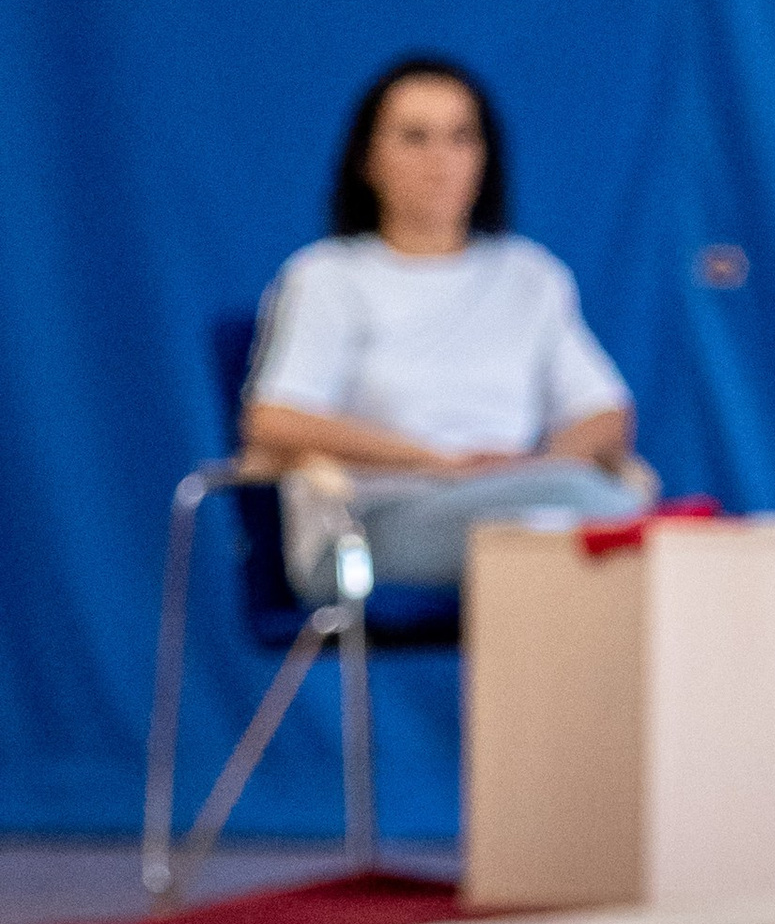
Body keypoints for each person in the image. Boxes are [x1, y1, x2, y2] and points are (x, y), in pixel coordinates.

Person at [244, 57, 655, 592]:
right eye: (416, 138)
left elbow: (606, 415)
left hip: (527, 498)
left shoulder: (529, 275)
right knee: (601, 528)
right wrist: (434, 462)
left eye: (461, 138)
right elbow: (274, 419)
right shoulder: (327, 276)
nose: (441, 161)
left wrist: (528, 465)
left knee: (572, 526)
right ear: (368, 160)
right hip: (370, 524)